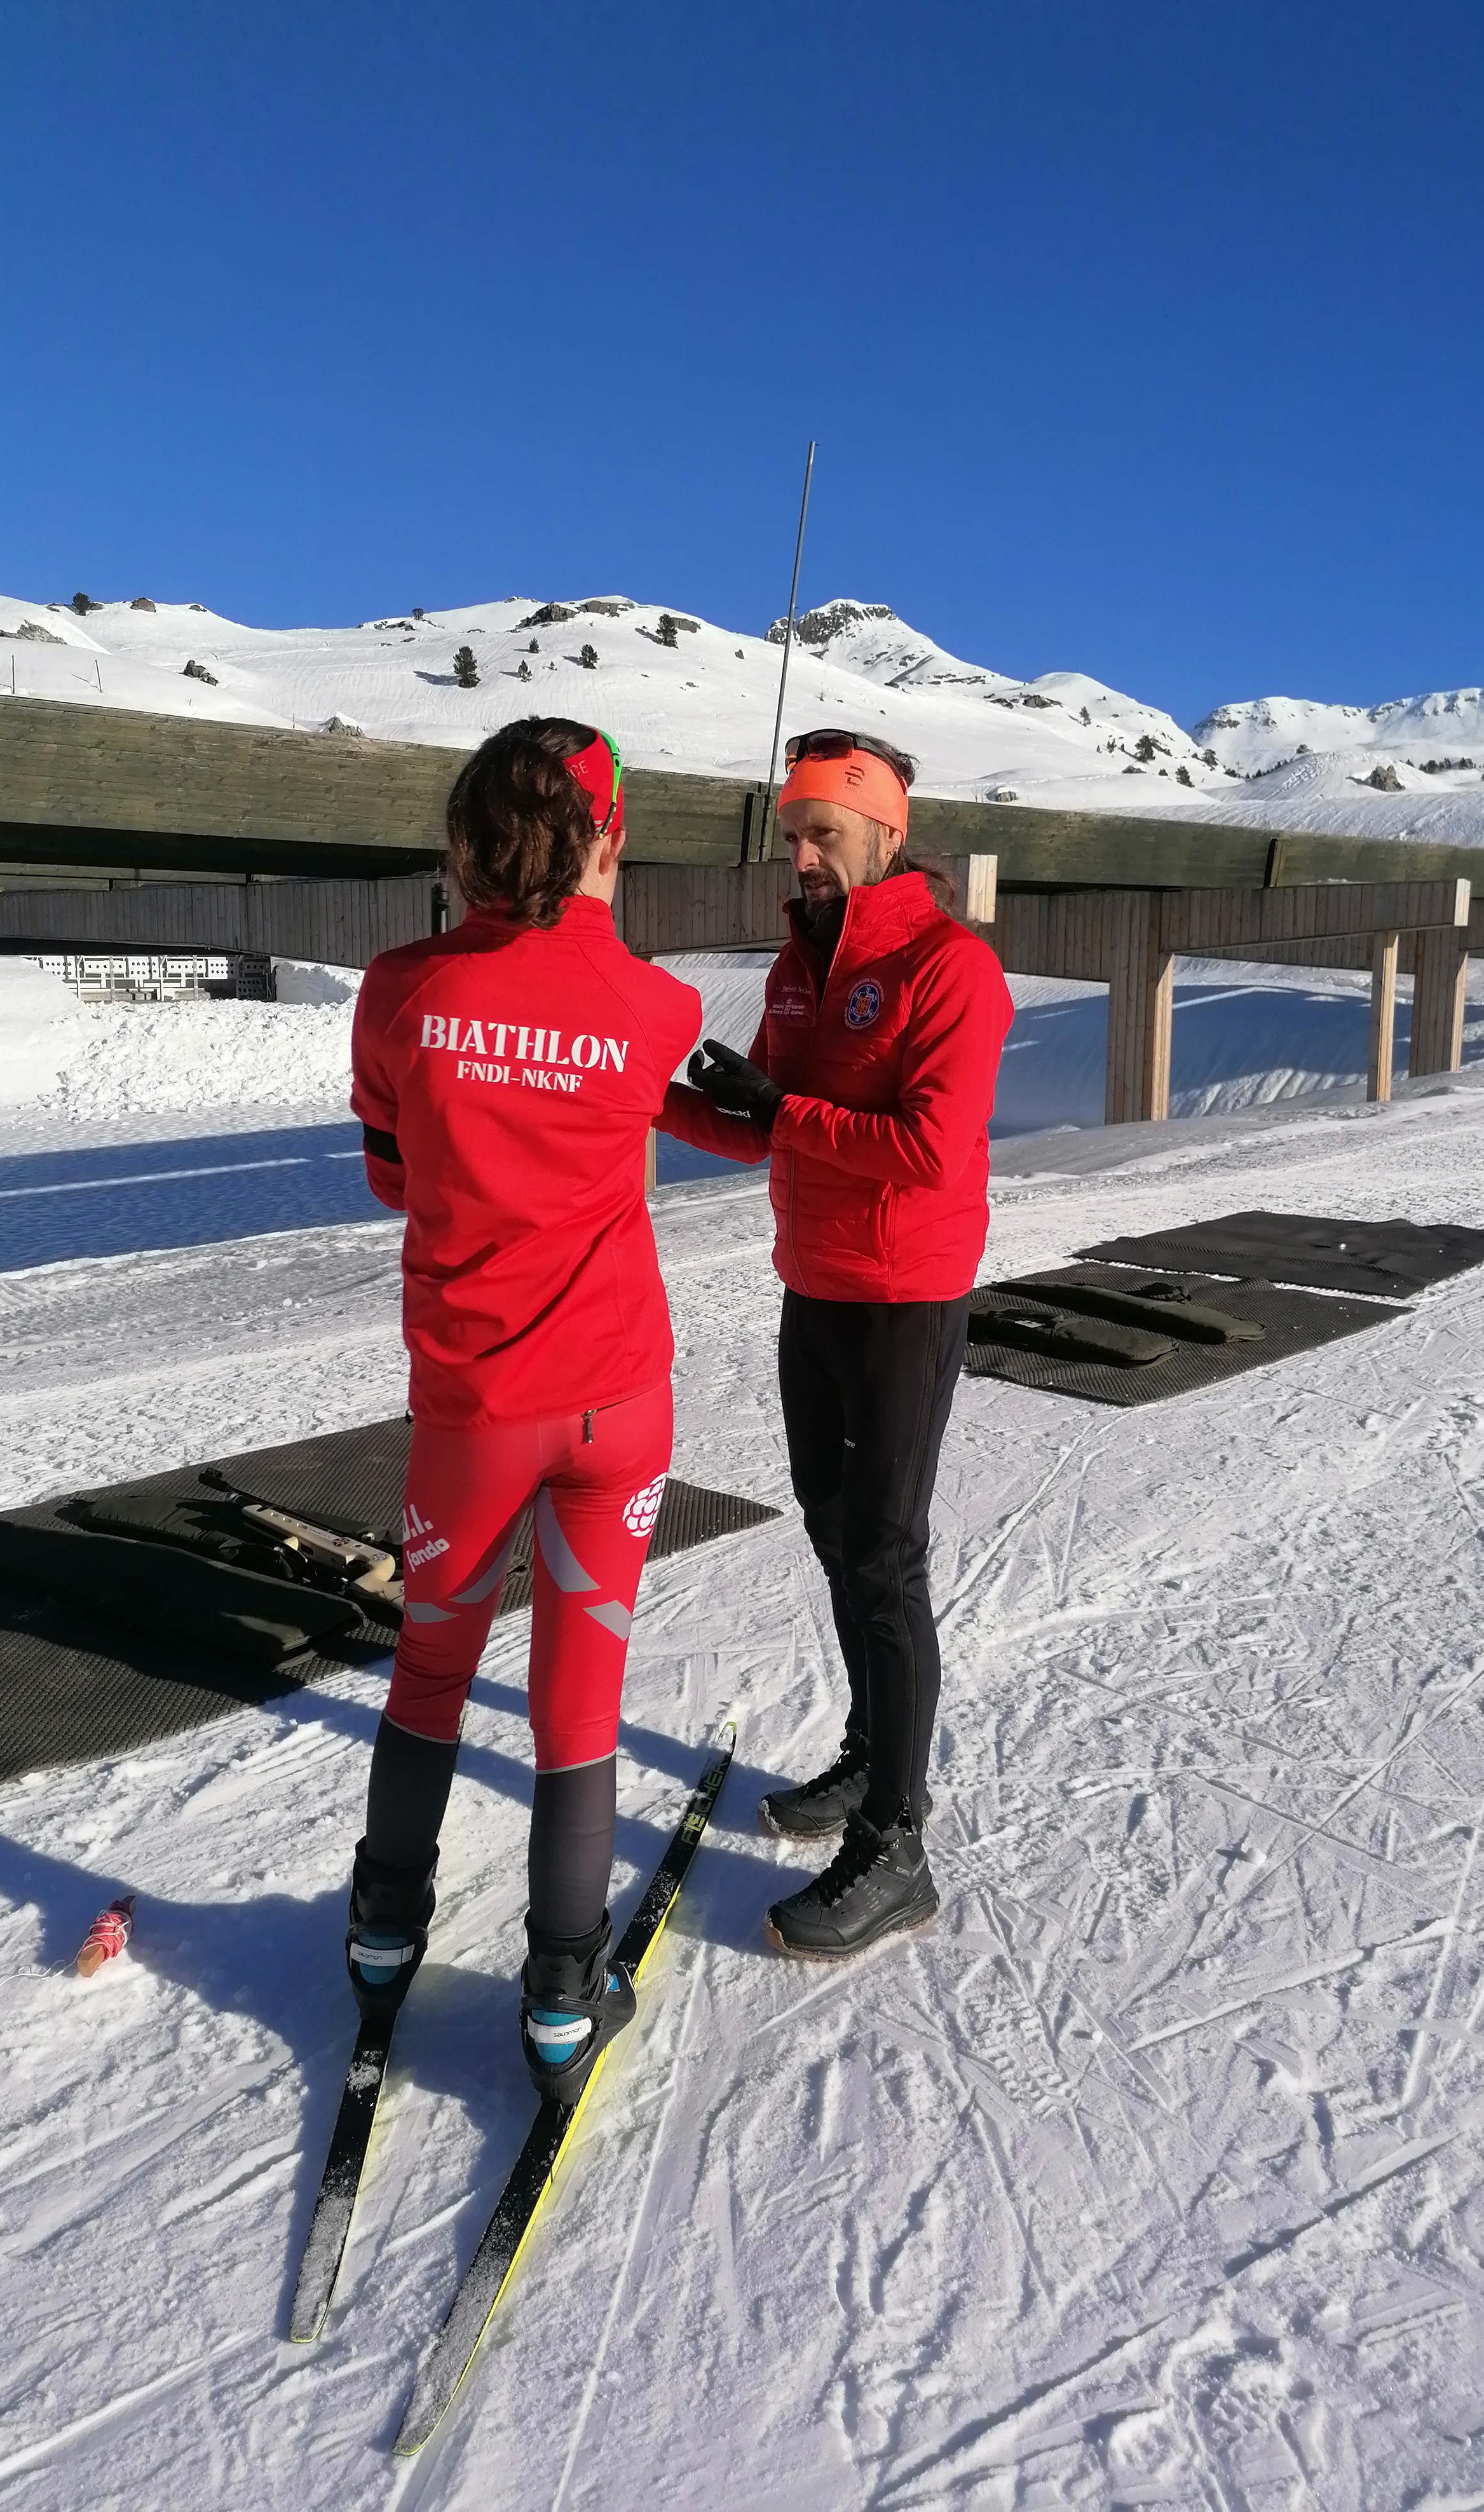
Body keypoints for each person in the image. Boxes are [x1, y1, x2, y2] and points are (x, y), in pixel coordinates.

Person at [345, 717, 702, 2103]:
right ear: (607, 840)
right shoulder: (656, 1006)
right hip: (618, 1400)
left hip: (476, 1409)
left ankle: (383, 1937)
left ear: (462, 842)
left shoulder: (396, 990)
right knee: (580, 1699)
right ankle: (562, 2001)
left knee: (432, 1669)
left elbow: (392, 1174)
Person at [657, 730, 1012, 1959]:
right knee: (829, 1528)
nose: (801, 859)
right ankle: (870, 1757)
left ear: (888, 835)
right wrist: (648, 1091)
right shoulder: (796, 970)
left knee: (884, 1554)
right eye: (791, 837)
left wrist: (783, 1108)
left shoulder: (952, 968)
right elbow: (765, 1135)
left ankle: (899, 1844)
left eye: (824, 835)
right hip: (812, 1288)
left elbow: (928, 1145)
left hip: (906, 1298)